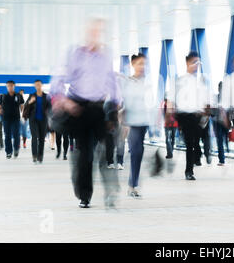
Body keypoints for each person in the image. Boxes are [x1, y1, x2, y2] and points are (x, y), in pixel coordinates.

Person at [50, 17, 121, 209]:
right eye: (92, 31)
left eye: (99, 32)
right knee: (86, 155)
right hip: (78, 109)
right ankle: (84, 194)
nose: (95, 35)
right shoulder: (74, 54)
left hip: (99, 108)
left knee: (108, 148)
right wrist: (64, 101)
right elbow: (58, 80)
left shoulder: (106, 55)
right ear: (86, 33)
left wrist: (115, 105)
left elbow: (111, 80)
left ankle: (111, 191)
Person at [168, 51, 212, 181]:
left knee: (194, 143)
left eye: (198, 62)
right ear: (187, 63)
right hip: (184, 116)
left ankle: (194, 162)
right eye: (194, 62)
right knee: (190, 143)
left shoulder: (200, 83)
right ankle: (189, 171)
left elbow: (205, 101)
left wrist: (206, 111)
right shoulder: (180, 81)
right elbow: (172, 98)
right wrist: (169, 113)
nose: (196, 65)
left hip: (197, 116)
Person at [119, 53, 156, 198]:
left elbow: (150, 102)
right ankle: (133, 185)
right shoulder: (127, 82)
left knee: (138, 153)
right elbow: (123, 102)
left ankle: (133, 182)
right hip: (132, 122)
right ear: (133, 65)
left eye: (144, 64)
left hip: (144, 121)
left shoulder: (147, 82)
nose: (142, 66)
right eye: (139, 63)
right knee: (136, 151)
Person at [24, 80, 51, 164]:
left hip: (43, 120)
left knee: (42, 138)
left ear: (41, 85)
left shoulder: (46, 96)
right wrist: (30, 102)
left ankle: (40, 156)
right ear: (35, 86)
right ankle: (34, 155)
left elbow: (50, 108)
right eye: (36, 85)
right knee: (34, 137)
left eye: (39, 85)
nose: (38, 86)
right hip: (33, 119)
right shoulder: (32, 95)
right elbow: (26, 106)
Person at [0, 81, 24, 159]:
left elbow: (22, 106)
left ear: (14, 86)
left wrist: (23, 116)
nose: (10, 87)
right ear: (6, 87)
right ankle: (8, 152)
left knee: (16, 135)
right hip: (6, 119)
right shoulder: (3, 96)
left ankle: (16, 149)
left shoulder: (18, 95)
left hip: (16, 118)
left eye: (11, 86)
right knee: (7, 135)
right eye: (8, 86)